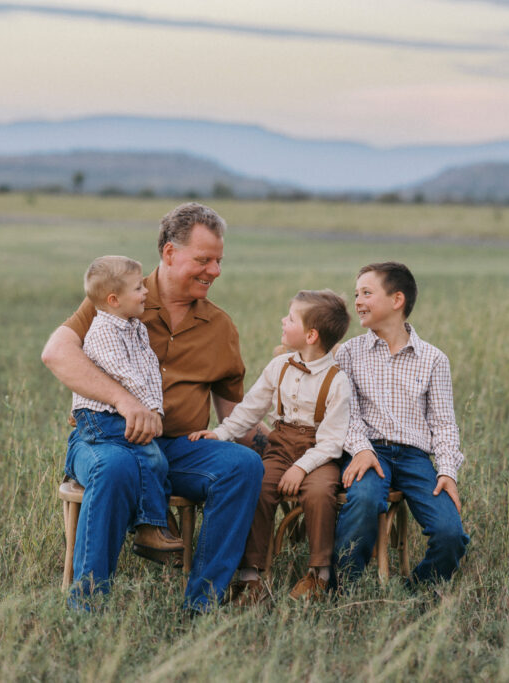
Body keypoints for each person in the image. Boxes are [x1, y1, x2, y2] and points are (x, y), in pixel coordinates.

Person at [41, 203, 265, 614]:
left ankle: (202, 603)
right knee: (117, 467)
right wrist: (124, 401)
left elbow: (237, 414)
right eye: (203, 260)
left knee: (243, 465)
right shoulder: (116, 296)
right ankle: (86, 608)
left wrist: (297, 446)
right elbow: (56, 353)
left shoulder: (220, 327)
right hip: (105, 439)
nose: (214, 270)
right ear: (169, 253)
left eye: (218, 261)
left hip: (179, 448)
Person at [189, 290, 351, 604]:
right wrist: (221, 434)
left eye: (290, 318)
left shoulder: (338, 380)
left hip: (319, 455)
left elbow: (333, 442)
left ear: (310, 335)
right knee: (258, 487)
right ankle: (253, 577)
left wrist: (301, 467)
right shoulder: (279, 366)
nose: (283, 320)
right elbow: (250, 409)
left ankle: (319, 574)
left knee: (319, 494)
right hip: (280, 447)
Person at [333, 262, 470, 588]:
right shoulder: (349, 353)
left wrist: (447, 471)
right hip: (368, 450)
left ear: (397, 300)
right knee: (365, 500)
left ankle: (417, 590)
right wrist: (362, 450)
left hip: (414, 458)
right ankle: (343, 588)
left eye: (367, 293)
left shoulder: (434, 359)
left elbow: (444, 423)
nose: (358, 301)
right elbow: (344, 413)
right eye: (356, 294)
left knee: (451, 532)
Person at [68, 255, 183, 559]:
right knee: (144, 453)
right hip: (100, 416)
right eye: (138, 288)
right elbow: (123, 373)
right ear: (114, 300)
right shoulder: (103, 330)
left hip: (126, 413)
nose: (146, 291)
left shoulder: (136, 328)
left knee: (154, 456)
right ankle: (151, 526)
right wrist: (145, 408)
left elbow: (149, 370)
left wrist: (156, 410)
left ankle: (152, 524)